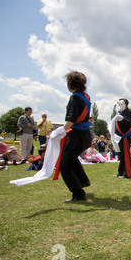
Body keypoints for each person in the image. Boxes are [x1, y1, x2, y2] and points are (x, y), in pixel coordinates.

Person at [51, 71, 92, 202]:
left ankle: (78, 193)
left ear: (71, 84)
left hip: (76, 135)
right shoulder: (86, 97)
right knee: (72, 159)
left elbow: (71, 120)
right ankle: (83, 180)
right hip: (85, 135)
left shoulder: (75, 97)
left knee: (65, 166)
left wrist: (59, 131)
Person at [115, 98, 131, 179]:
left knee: (125, 155)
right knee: (120, 155)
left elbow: (129, 123)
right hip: (119, 137)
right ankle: (120, 172)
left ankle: (126, 173)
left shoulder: (128, 113)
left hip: (125, 137)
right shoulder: (120, 113)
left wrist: (122, 119)